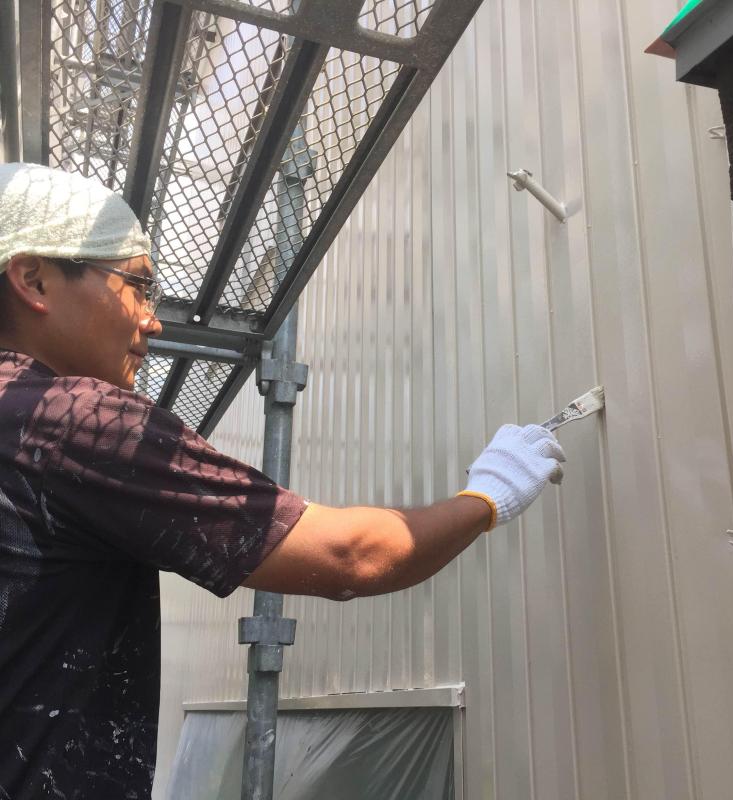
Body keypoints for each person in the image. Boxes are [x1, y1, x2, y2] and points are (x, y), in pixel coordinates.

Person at [0, 163, 565, 799]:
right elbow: (348, 556)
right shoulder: (74, 420)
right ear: (34, 280)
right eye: (137, 285)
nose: (152, 320)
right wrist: (487, 497)